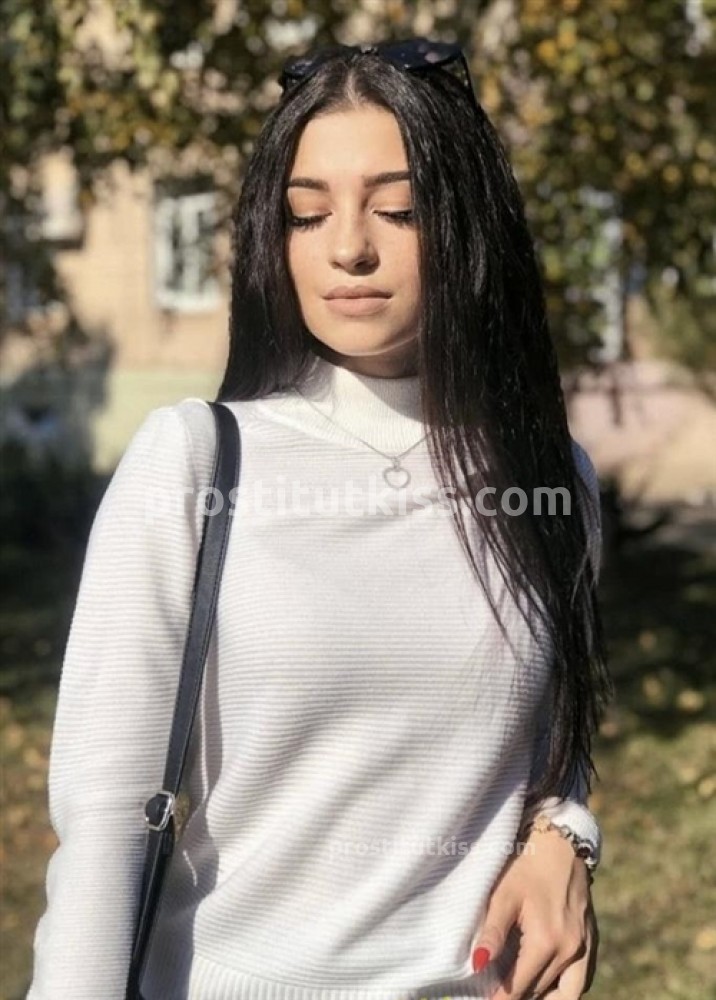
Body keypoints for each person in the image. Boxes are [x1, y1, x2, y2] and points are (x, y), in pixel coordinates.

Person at [26, 37, 614, 1000]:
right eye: (308, 213)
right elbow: (104, 820)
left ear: (468, 225)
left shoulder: (553, 481)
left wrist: (567, 838)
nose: (349, 247)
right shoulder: (198, 460)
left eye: (399, 209)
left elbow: (553, 746)